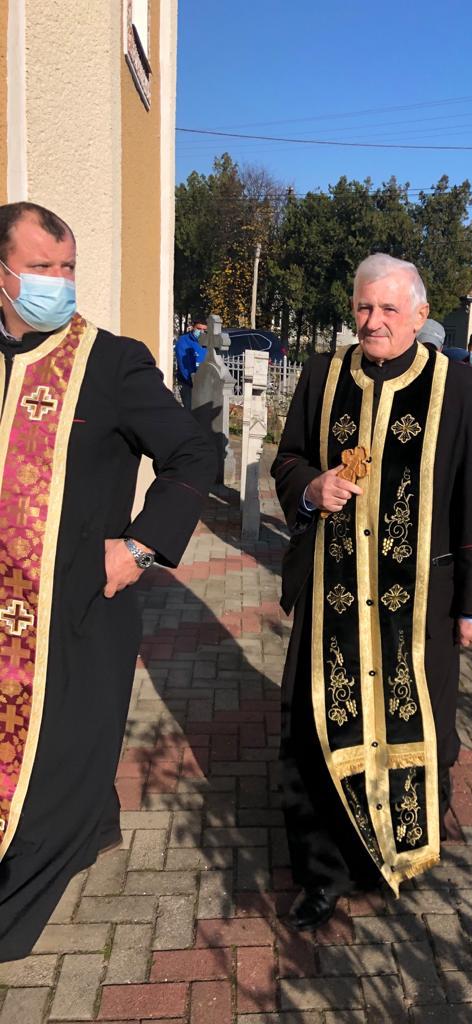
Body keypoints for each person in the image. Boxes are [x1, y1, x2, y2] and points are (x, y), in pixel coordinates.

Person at [0, 202, 216, 959]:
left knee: (55, 761)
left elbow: (194, 453)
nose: (58, 283)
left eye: (68, 268)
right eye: (41, 267)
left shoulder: (111, 362)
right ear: (3, 274)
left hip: (78, 610)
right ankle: (91, 827)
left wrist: (142, 546)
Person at [272, 253, 472, 930]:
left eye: (389, 309)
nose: (373, 321)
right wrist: (310, 487)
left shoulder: (462, 389)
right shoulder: (322, 375)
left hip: (421, 602)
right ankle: (323, 877)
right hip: (332, 597)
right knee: (317, 730)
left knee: (420, 727)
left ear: (420, 315)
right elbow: (287, 459)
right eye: (364, 307)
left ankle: (401, 855)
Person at [175, 318, 207, 409]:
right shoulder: (183, 340)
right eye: (199, 329)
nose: (201, 332)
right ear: (193, 327)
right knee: (190, 409)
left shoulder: (206, 342)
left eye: (204, 330)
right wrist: (193, 380)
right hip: (187, 383)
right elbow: (184, 366)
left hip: (204, 383)